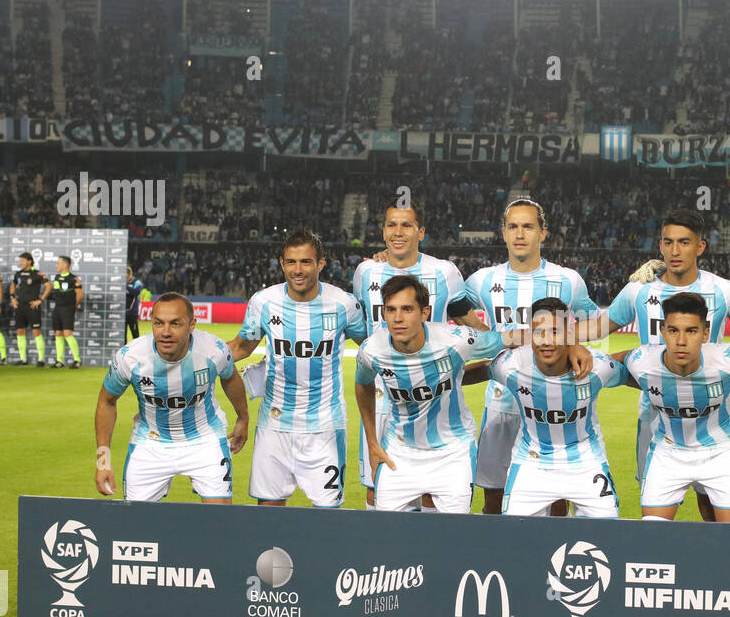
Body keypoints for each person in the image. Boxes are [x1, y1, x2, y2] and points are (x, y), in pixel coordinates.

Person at [595, 209, 730, 520]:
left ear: (700, 247)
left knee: (711, 506)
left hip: (712, 412)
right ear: (659, 246)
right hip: (655, 415)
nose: (675, 251)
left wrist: (724, 373)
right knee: (654, 512)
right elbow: (595, 331)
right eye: (669, 242)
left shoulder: (725, 291)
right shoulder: (639, 288)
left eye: (684, 242)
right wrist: (547, 339)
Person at [462, 198, 598, 515]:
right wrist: (486, 333)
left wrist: (572, 340)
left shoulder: (567, 280)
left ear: (543, 233)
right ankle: (497, 562)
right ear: (503, 232)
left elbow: (594, 323)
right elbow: (450, 305)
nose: (520, 234)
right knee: (493, 496)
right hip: (501, 402)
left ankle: (550, 561)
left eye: (528, 226)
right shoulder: (483, 279)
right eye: (513, 226)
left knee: (556, 497)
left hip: (553, 404)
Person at [226, 229, 367, 507]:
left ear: (321, 264)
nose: (298, 270)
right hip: (274, 426)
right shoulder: (263, 302)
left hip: (325, 427)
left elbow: (372, 348)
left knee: (327, 514)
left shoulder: (344, 304)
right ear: (281, 264)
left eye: (306, 262)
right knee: (269, 511)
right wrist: (195, 355)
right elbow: (241, 347)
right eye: (291, 262)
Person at [351, 203, 469, 509]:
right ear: (383, 231)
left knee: (432, 492)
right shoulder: (366, 272)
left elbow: (466, 319)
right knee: (376, 490)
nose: (398, 232)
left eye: (406, 225)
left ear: (421, 232)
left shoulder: (444, 272)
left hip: (431, 396)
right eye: (391, 225)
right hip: (382, 397)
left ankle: (429, 557)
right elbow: (361, 330)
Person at [354, 275, 505, 514]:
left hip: (452, 452)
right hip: (398, 453)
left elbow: (506, 341)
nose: (398, 318)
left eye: (407, 309)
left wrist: (564, 343)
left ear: (424, 313)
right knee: (387, 536)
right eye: (391, 309)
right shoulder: (372, 350)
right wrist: (372, 442)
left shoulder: (456, 341)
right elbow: (362, 384)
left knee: (450, 537)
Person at [621, 293, 730, 523]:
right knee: (652, 533)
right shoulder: (640, 361)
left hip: (722, 450)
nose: (681, 340)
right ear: (662, 332)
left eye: (691, 331)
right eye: (673, 330)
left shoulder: (727, 360)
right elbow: (603, 364)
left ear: (705, 333)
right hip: (667, 451)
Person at [94, 292, 249, 503]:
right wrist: (103, 462)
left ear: (192, 324)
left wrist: (243, 417)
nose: (165, 332)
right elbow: (106, 401)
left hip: (205, 440)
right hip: (150, 443)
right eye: (159, 323)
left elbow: (230, 378)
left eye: (175, 324)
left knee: (219, 520)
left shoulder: (214, 350)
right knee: (134, 525)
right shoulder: (130, 357)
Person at [488, 297, 629, 518]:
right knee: (515, 538)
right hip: (531, 464)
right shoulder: (510, 366)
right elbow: (478, 370)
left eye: (554, 332)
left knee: (606, 536)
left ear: (569, 335)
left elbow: (630, 372)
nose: (545, 341)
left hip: (587, 463)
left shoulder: (596, 367)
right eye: (538, 332)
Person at [9, 252, 48, 366]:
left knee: (36, 332)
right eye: (20, 261)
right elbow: (13, 285)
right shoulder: (18, 274)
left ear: (29, 261)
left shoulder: (37, 274)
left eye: (23, 260)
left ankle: (40, 360)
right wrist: (12, 298)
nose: (21, 263)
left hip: (32, 306)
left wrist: (40, 300)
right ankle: (23, 359)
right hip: (20, 306)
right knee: (20, 331)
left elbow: (48, 286)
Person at [44, 255, 84, 368]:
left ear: (65, 265)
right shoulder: (57, 278)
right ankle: (59, 361)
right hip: (57, 308)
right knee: (58, 333)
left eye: (58, 263)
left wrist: (73, 306)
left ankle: (77, 360)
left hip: (68, 308)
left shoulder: (73, 279)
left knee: (67, 333)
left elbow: (80, 294)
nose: (56, 265)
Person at [125, 266, 144, 340]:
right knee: (123, 336)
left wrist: (125, 287)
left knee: (135, 335)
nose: (125, 279)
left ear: (130, 274)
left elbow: (136, 292)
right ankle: (124, 351)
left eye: (126, 276)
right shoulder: (123, 283)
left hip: (133, 313)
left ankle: (138, 351)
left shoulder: (137, 282)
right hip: (123, 314)